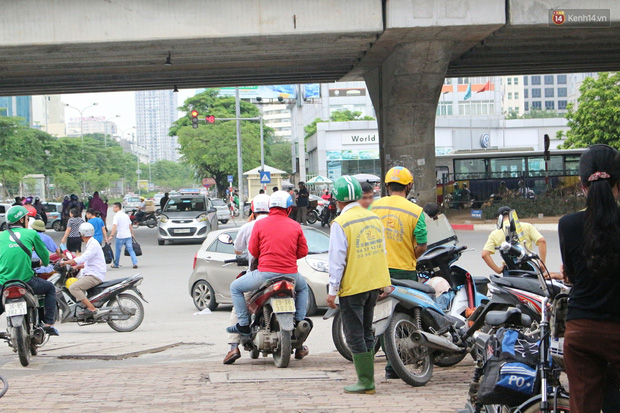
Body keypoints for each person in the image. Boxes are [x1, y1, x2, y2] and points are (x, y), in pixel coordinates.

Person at [559, 144, 620, 413]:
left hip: (581, 330)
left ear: (583, 186)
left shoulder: (568, 224)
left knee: (583, 405)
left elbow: (571, 276)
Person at [326, 176, 391, 394]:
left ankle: (366, 381)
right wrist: (384, 282)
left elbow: (337, 260)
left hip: (353, 286)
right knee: (366, 331)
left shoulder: (341, 223)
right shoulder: (373, 218)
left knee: (354, 334)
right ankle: (367, 378)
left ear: (338, 199)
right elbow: (381, 252)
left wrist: (332, 291)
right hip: (373, 284)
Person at [226, 191, 309, 355]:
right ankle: (299, 320)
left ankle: (243, 324)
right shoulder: (295, 225)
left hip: (265, 275)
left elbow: (253, 250)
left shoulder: (259, 225)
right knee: (303, 288)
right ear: (289, 208)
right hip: (291, 275)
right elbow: (303, 252)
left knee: (235, 287)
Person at [372, 166, 427, 379]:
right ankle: (397, 365)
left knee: (380, 317)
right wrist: (411, 255)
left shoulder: (373, 208)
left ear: (386, 186)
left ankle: (386, 364)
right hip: (404, 272)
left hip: (377, 271)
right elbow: (422, 244)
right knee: (404, 316)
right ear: (409, 186)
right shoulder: (415, 211)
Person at [223, 194, 272, 365]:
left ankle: (233, 346)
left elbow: (238, 250)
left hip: (259, 275)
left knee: (238, 298)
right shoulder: (281, 224)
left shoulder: (250, 226)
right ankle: (301, 345)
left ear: (253, 210)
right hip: (285, 274)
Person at [0, 206, 58, 335]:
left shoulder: (1, 236)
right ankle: (48, 323)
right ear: (21, 220)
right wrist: (44, 261)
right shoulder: (31, 234)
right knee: (50, 288)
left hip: (3, 283)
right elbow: (45, 257)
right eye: (27, 218)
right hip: (26, 281)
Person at [61, 223, 109, 317]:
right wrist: (76, 267)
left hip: (95, 275)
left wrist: (66, 262)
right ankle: (84, 306)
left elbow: (82, 258)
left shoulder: (93, 245)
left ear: (82, 234)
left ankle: (92, 308)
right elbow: (87, 262)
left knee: (73, 288)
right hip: (92, 272)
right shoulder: (91, 243)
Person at [481, 206, 547, 274]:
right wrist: (542, 263)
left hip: (510, 270)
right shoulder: (527, 226)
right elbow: (542, 241)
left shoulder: (494, 234)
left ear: (498, 219)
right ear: (513, 215)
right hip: (530, 266)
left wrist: (497, 270)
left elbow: (484, 254)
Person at [107, 202, 138, 269]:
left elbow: (114, 226)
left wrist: (111, 235)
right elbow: (130, 225)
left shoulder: (116, 216)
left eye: (114, 207)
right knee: (130, 250)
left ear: (117, 208)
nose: (113, 208)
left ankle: (116, 264)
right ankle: (135, 262)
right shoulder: (126, 215)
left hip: (120, 236)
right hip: (128, 235)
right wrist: (132, 233)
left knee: (118, 250)